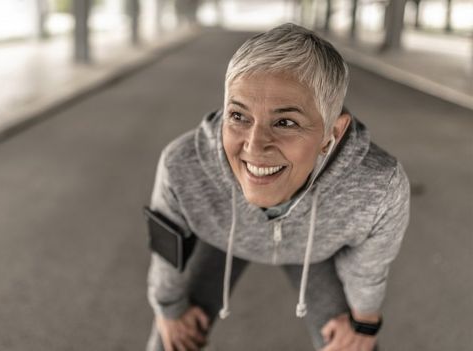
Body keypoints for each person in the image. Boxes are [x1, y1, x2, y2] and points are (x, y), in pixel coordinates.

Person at [145, 23, 410, 351]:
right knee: (168, 342)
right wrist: (168, 308)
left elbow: (368, 267)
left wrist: (364, 323)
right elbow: (166, 251)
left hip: (316, 252)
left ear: (334, 133)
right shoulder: (181, 165)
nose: (255, 148)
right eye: (239, 116)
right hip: (220, 237)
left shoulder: (380, 185)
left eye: (285, 122)